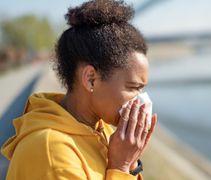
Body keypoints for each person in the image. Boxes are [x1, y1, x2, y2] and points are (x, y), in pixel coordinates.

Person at [1, 0, 157, 179]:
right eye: (133, 88)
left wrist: (131, 164)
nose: (140, 100)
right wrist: (120, 166)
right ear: (91, 79)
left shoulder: (102, 129)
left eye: (142, 89)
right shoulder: (51, 152)